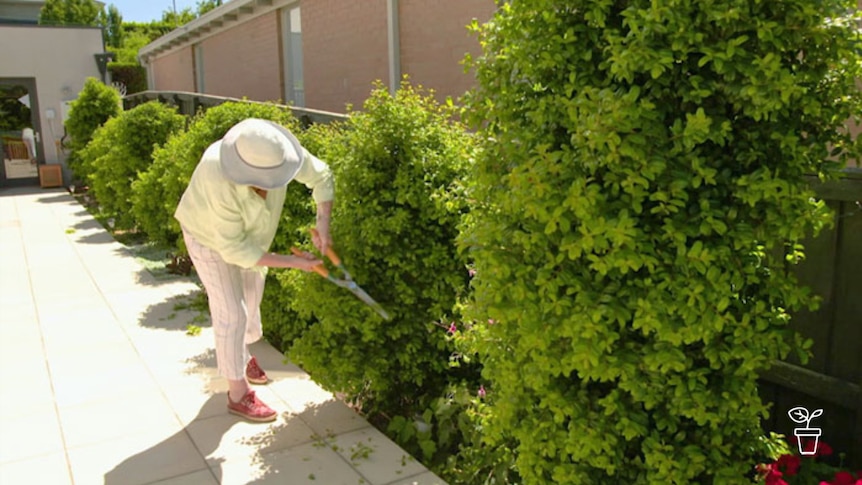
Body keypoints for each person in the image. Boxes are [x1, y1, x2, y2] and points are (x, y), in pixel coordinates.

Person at [175, 118, 334, 422]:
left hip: (252, 238)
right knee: (231, 312)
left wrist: (323, 222)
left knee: (251, 300)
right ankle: (237, 393)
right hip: (207, 236)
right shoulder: (215, 173)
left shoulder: (281, 153)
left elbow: (322, 176)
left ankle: (242, 356)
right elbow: (234, 250)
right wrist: (294, 262)